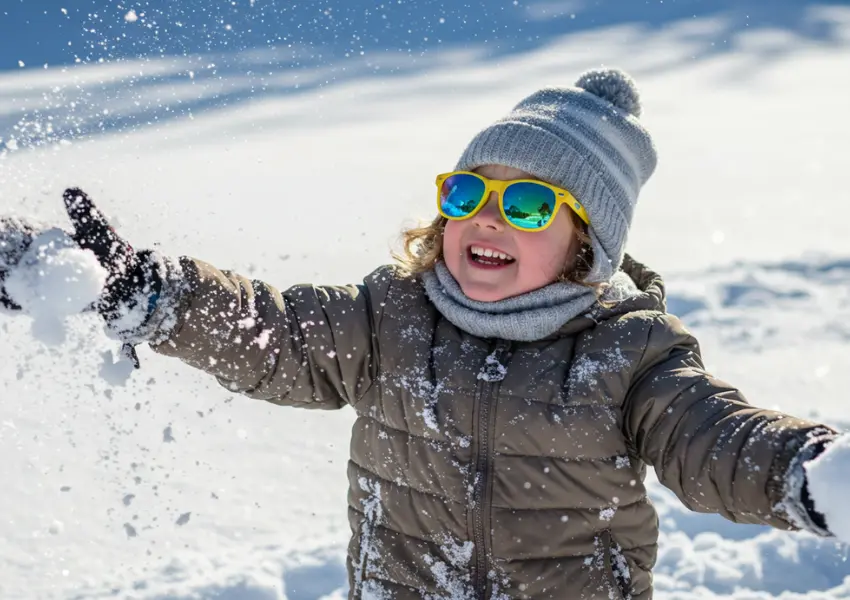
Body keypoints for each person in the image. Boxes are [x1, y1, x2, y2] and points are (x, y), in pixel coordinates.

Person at [0, 68, 845, 599]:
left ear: (587, 245)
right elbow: (274, 333)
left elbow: (715, 440)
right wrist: (152, 293)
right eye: (468, 193)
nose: (488, 219)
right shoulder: (391, 316)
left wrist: (813, 475)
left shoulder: (629, 353)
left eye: (527, 204)